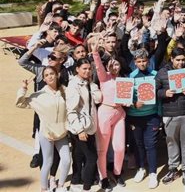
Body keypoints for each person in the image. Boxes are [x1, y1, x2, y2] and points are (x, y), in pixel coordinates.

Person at [16, 67, 71, 192]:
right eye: (47, 75)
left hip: (62, 133)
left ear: (57, 75)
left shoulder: (65, 91)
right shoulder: (39, 95)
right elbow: (20, 103)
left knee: (67, 160)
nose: (50, 76)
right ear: (44, 79)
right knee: (47, 162)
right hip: (46, 134)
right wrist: (23, 89)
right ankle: (44, 188)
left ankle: (61, 186)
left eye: (52, 73)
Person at [155, 48, 185, 186]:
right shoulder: (162, 72)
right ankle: (173, 168)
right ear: (171, 59)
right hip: (170, 114)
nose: (181, 62)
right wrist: (164, 93)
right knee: (171, 142)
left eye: (183, 59)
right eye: (178, 60)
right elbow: (153, 91)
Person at [91, 48, 128, 190]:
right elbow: (98, 65)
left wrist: (127, 102)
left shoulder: (124, 81)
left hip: (119, 114)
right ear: (107, 67)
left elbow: (126, 99)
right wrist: (95, 52)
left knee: (119, 148)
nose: (114, 67)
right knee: (102, 150)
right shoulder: (104, 77)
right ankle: (103, 177)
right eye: (111, 65)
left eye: (117, 64)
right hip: (105, 113)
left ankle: (117, 173)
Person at [66, 58, 102, 192]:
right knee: (92, 157)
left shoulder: (90, 83)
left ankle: (77, 182)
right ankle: (86, 187)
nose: (87, 71)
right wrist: (80, 130)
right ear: (77, 69)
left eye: (89, 68)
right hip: (81, 128)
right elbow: (71, 110)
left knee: (79, 155)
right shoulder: (73, 85)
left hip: (90, 126)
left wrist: (92, 85)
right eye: (84, 68)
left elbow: (98, 98)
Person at [126, 49, 160, 188]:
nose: (142, 64)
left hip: (152, 115)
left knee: (151, 145)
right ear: (135, 62)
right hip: (135, 116)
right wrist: (134, 104)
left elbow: (160, 94)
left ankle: (153, 172)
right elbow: (126, 98)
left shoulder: (155, 75)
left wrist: (160, 115)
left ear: (148, 61)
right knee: (139, 144)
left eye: (144, 61)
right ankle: (141, 168)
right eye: (139, 61)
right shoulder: (130, 76)